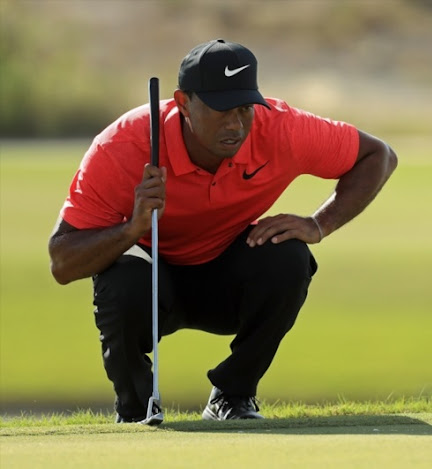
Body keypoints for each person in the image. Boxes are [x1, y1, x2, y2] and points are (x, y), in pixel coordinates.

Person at [48, 39, 397, 422]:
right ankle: (136, 408)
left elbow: (378, 155)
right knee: (120, 279)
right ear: (183, 104)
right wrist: (131, 229)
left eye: (245, 108)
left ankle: (232, 397)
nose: (236, 124)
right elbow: (63, 262)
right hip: (150, 288)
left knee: (289, 256)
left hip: (226, 281)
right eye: (221, 109)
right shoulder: (124, 146)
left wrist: (319, 223)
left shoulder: (280, 129)